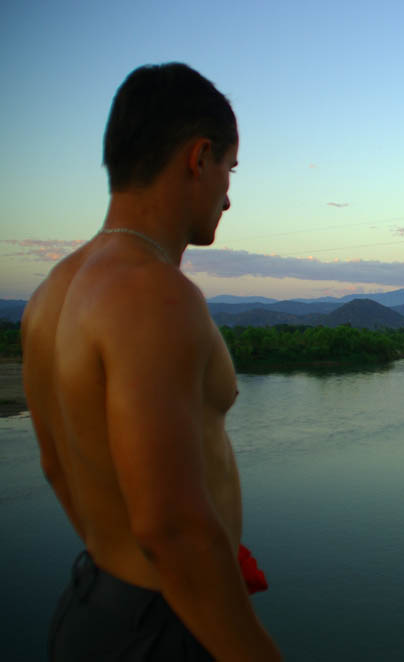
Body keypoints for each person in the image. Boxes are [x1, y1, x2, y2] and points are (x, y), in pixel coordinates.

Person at [21, 63, 282, 661]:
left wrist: (122, 577)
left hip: (95, 604)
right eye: (230, 169)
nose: (228, 196)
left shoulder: (48, 297)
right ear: (199, 157)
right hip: (165, 626)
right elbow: (174, 530)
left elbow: (56, 467)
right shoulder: (155, 293)